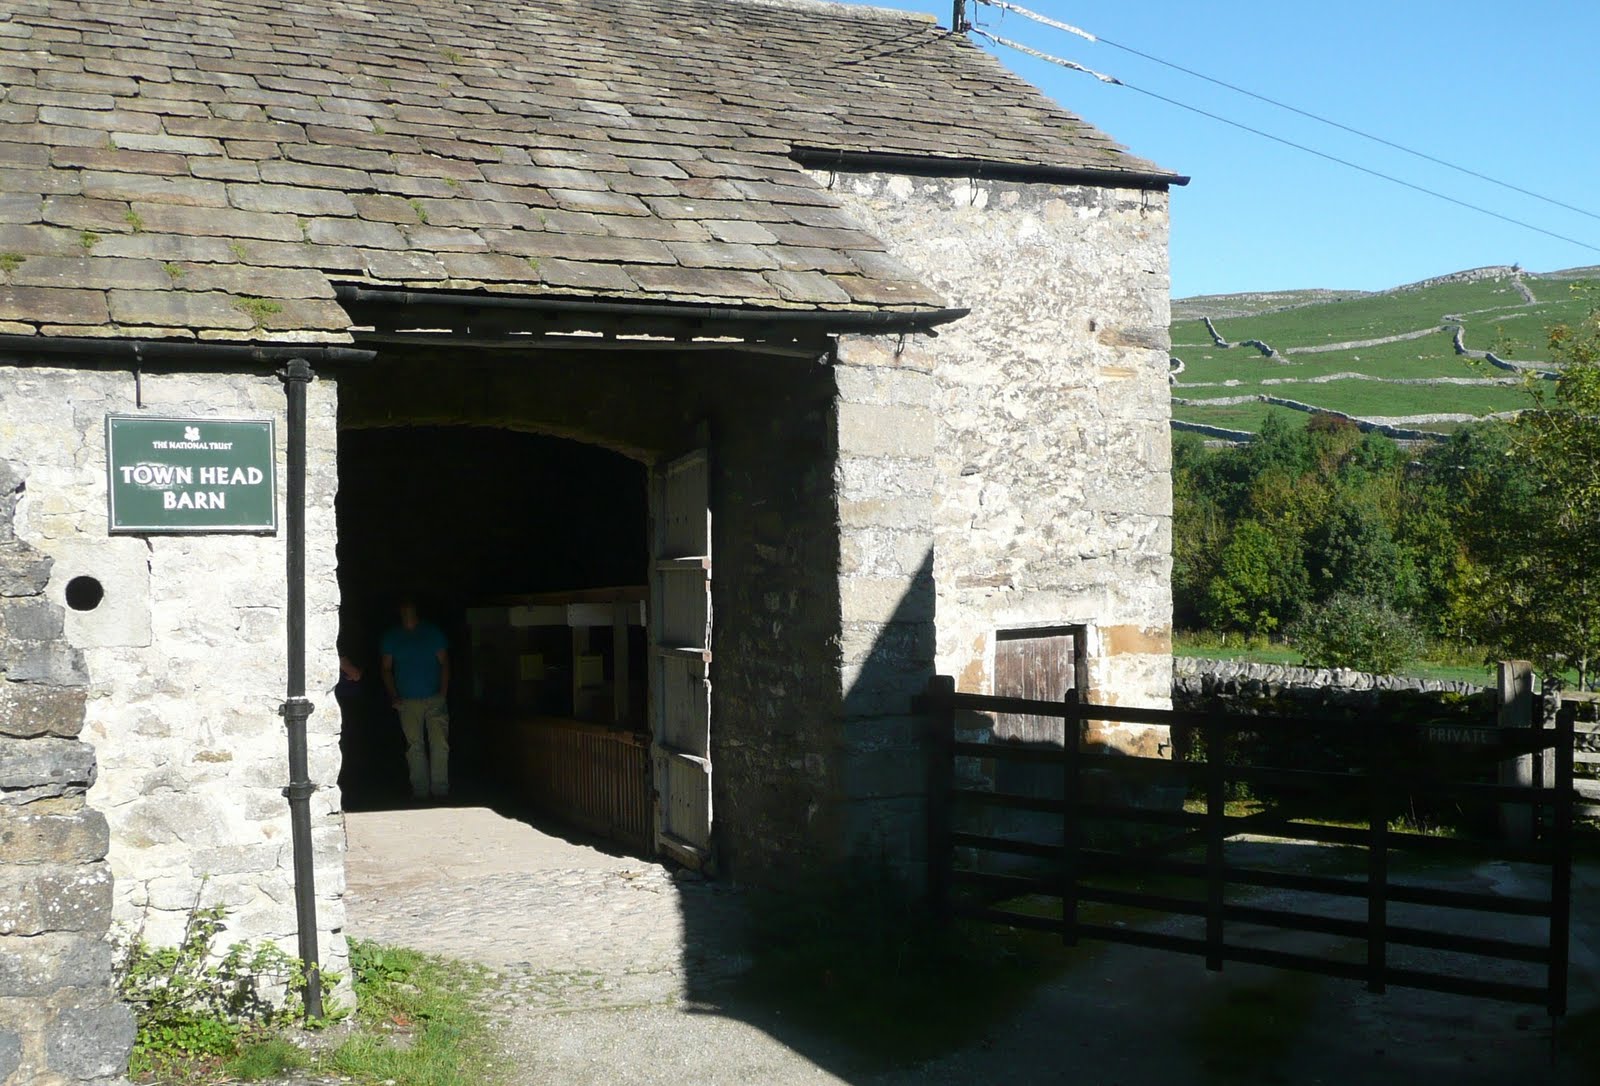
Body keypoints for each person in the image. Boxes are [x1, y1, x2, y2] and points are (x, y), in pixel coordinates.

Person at [380, 598, 450, 802]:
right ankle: (420, 791)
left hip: (434, 697)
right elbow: (385, 669)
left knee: (440, 744)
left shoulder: (432, 632)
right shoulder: (392, 637)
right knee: (414, 746)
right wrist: (394, 696)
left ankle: (440, 790)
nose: (407, 614)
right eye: (404, 610)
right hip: (407, 701)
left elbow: (445, 662)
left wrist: (443, 693)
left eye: (410, 609)